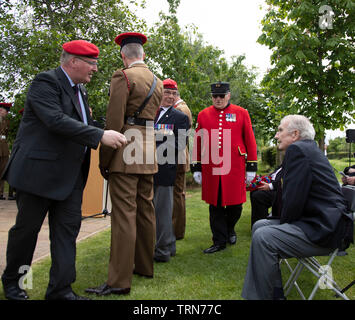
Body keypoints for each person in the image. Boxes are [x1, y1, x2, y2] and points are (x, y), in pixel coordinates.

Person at [1, 40, 127, 301]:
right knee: (27, 233)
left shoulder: (81, 91)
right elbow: (55, 120)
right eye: (91, 63)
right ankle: (15, 283)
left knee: (66, 233)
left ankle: (60, 290)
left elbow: (81, 122)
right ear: (73, 62)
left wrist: (106, 127)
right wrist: (100, 134)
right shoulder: (45, 83)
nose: (95, 69)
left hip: (71, 177)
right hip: (38, 174)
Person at [242, 115, 354, 300]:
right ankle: (275, 292)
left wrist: (281, 224)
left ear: (294, 134)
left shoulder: (298, 150)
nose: (276, 136)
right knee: (259, 226)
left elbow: (293, 200)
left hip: (326, 230)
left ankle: (267, 297)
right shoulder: (307, 148)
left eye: (280, 130)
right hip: (320, 222)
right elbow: (295, 197)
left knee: (264, 236)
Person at [86, 32, 163, 296]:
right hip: (149, 151)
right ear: (143, 55)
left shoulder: (123, 76)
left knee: (123, 216)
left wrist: (104, 160)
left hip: (126, 149)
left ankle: (118, 280)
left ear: (123, 54)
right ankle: (144, 266)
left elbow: (114, 122)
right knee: (145, 210)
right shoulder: (158, 81)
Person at [191, 81, 258, 253]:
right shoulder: (203, 114)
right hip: (211, 167)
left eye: (222, 96)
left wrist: (251, 166)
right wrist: (196, 166)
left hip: (235, 166)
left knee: (236, 205)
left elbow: (250, 140)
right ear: (212, 97)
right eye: (215, 96)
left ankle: (230, 229)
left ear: (228, 95)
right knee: (215, 205)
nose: (218, 99)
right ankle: (219, 241)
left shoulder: (241, 113)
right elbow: (198, 141)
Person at [153, 78, 190, 262]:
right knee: (153, 211)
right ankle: (169, 246)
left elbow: (180, 143)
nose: (170, 96)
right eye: (167, 92)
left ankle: (163, 252)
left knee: (163, 212)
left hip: (165, 169)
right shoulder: (151, 113)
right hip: (147, 168)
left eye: (173, 93)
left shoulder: (180, 117)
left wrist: (153, 146)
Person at [172, 89, 193, 240]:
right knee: (177, 194)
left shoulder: (181, 109)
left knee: (177, 195)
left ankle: (177, 230)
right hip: (178, 155)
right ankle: (175, 229)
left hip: (177, 156)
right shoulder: (182, 108)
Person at [0, 102, 11, 200]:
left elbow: (6, 134)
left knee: (2, 170)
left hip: (3, 148)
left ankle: (0, 192)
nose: (1, 111)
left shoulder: (7, 121)